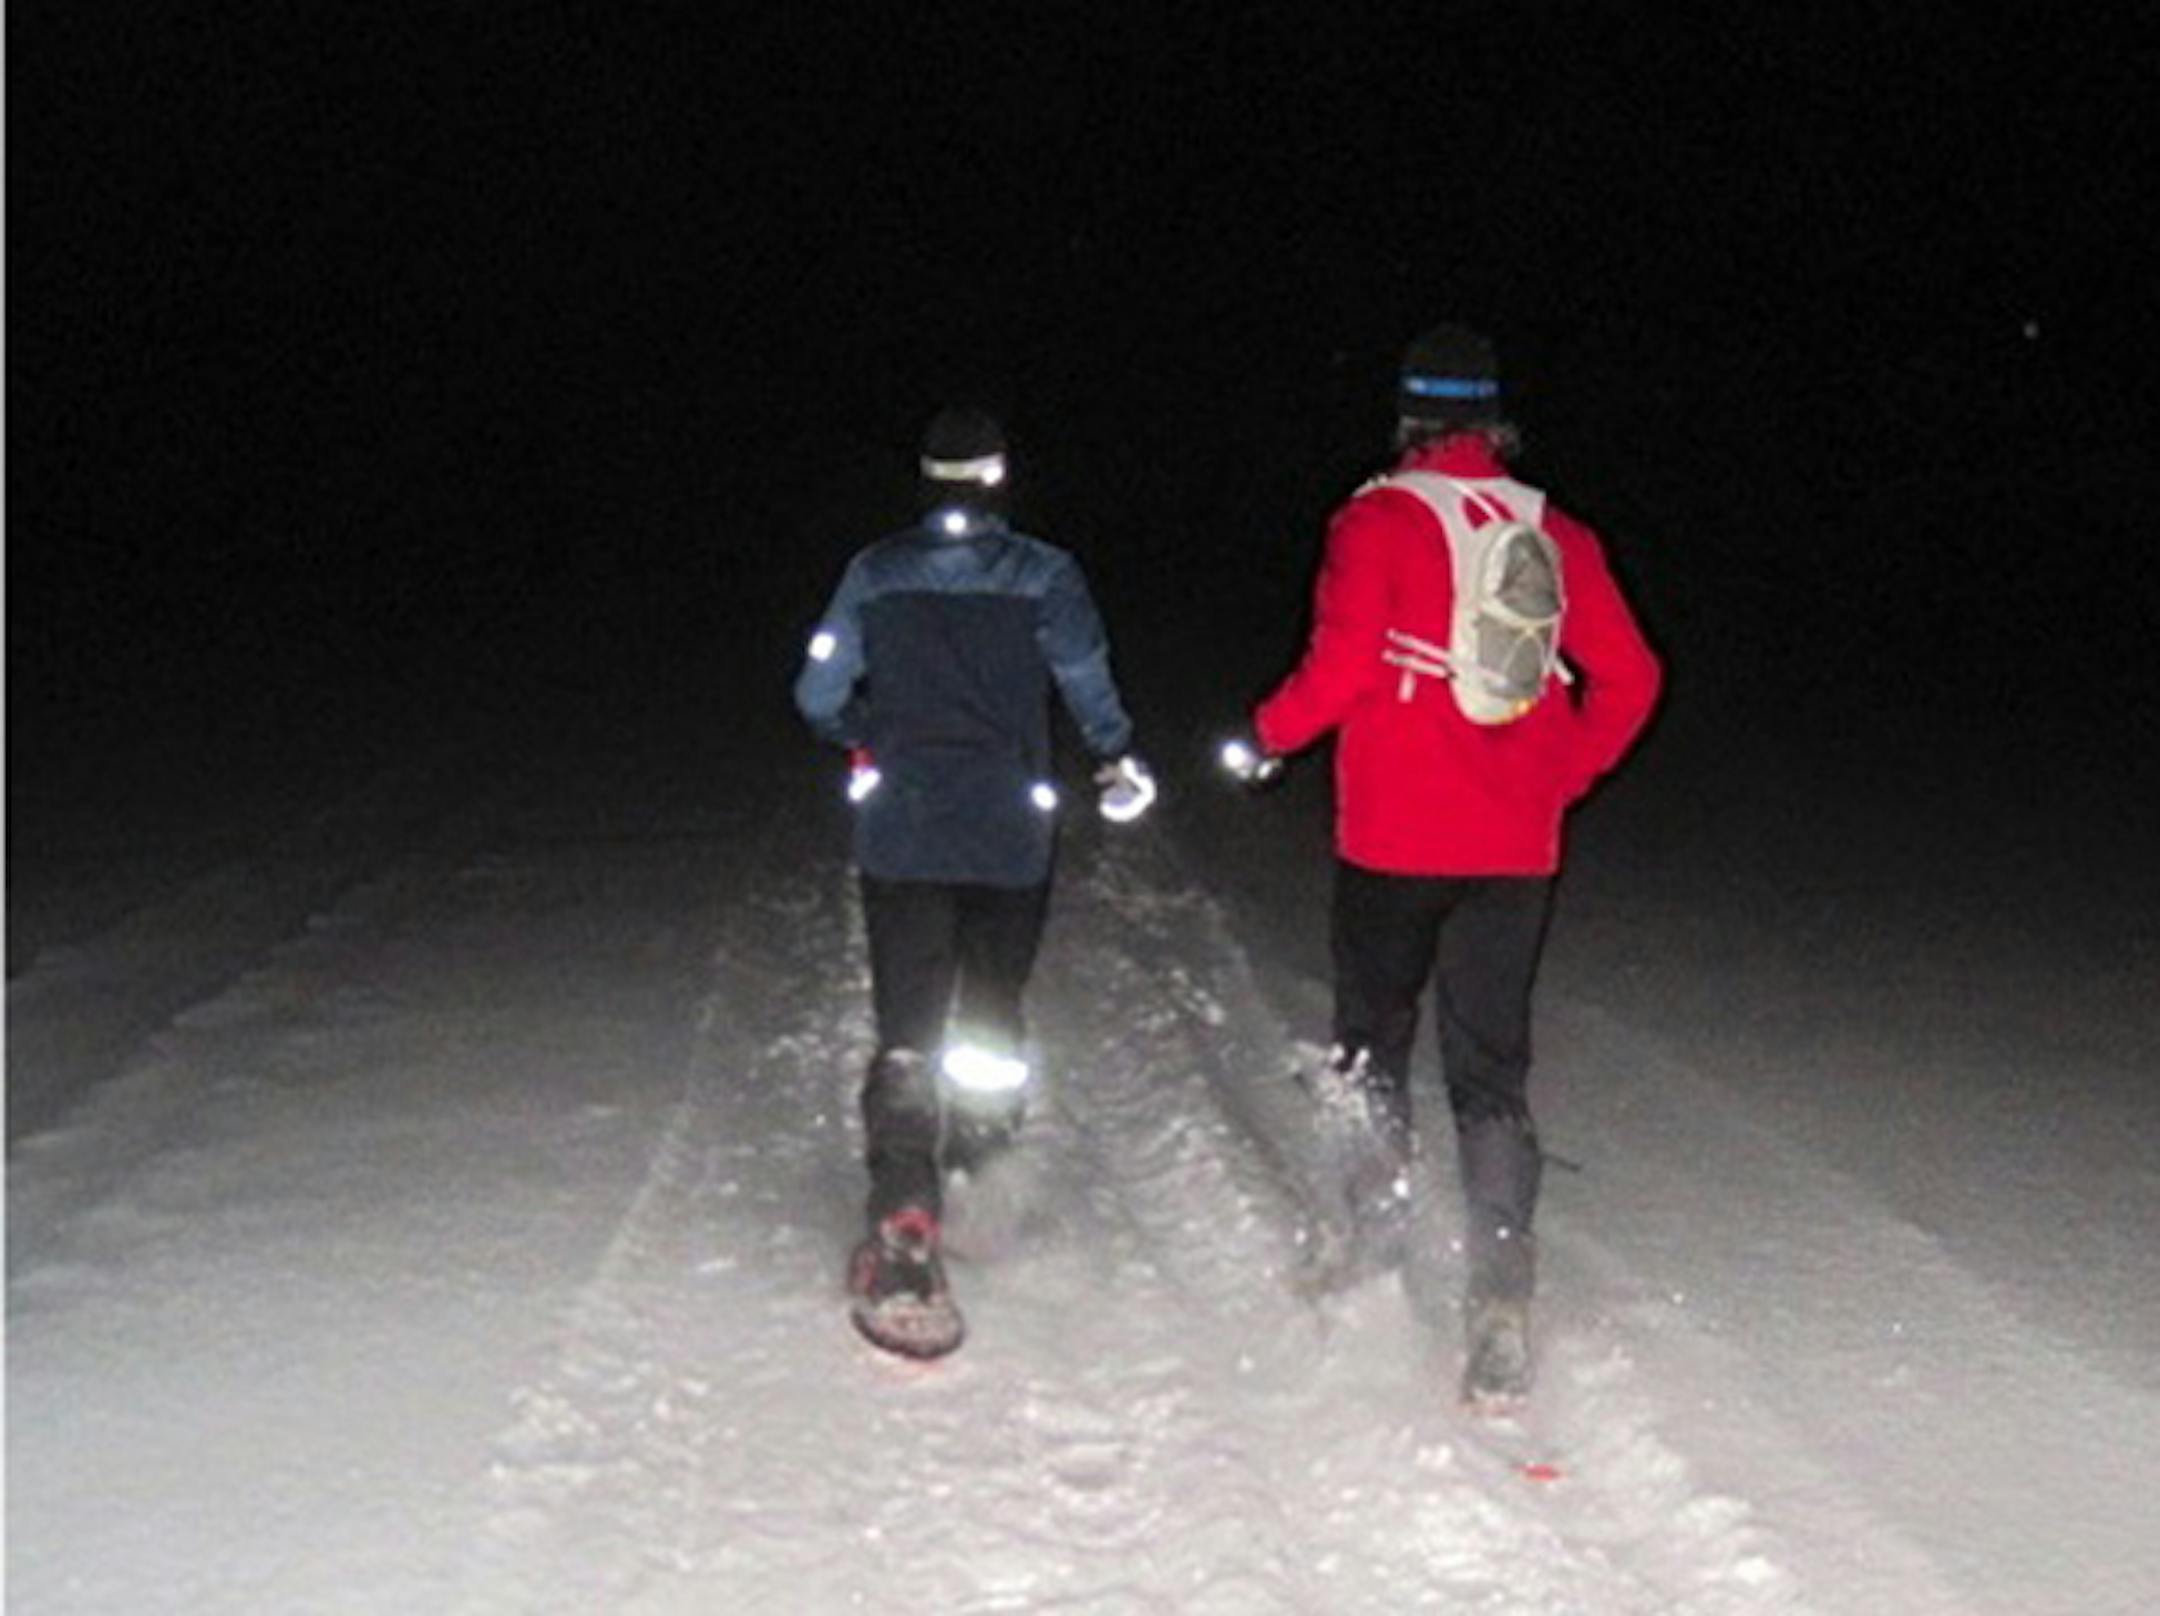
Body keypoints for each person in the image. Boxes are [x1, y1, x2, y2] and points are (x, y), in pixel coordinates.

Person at [1231, 325, 1661, 1404]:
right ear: (1494, 418)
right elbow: (1634, 677)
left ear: (1410, 416)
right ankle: (1502, 1300)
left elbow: (1339, 671)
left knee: (1372, 1042)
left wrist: (1267, 737)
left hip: (1393, 837)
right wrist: (1559, 775)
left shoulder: (1373, 520)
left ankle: (1371, 1247)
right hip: (1515, 847)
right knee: (1491, 1070)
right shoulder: (1556, 531)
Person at [794, 405, 1154, 1358]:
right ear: (1000, 480)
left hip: (904, 830)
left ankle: (904, 1213)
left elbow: (816, 693)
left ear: (925, 480)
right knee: (993, 1006)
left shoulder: (874, 573)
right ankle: (979, 1176)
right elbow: (1085, 679)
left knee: (908, 1024)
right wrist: (1114, 755)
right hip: (1009, 833)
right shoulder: (1046, 575)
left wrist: (863, 732)